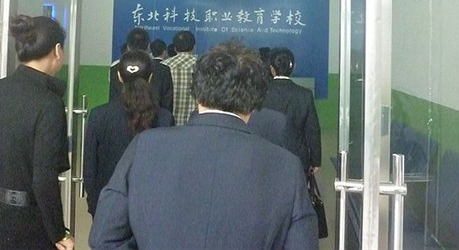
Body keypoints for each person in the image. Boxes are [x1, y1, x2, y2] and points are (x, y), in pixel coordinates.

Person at [89, 40, 319, 250]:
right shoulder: (287, 167)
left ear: (197, 93)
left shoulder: (144, 147)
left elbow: (104, 238)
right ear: (255, 102)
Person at [0, 15, 74, 250]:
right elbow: (44, 179)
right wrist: (59, 233)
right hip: (27, 228)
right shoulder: (49, 103)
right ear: (58, 50)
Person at [83, 50, 175, 217]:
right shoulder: (165, 118)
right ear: (151, 77)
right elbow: (167, 169)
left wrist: (94, 205)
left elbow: (90, 168)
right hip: (149, 207)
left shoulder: (98, 115)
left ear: (119, 76)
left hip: (108, 203)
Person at [263, 47, 322, 179]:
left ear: (271, 69)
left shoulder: (260, 94)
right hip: (297, 160)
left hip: (266, 158)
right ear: (294, 67)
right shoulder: (305, 95)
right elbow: (313, 130)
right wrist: (315, 160)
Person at [109, 28, 173, 114]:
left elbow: (113, 100)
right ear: (148, 46)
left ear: (128, 46)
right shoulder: (163, 70)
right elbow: (167, 103)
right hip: (154, 118)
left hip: (121, 117)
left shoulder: (115, 69)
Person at [164, 30, 197, 125]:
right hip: (195, 125)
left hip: (168, 126)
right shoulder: (203, 66)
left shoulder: (163, 66)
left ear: (175, 48)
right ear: (194, 47)